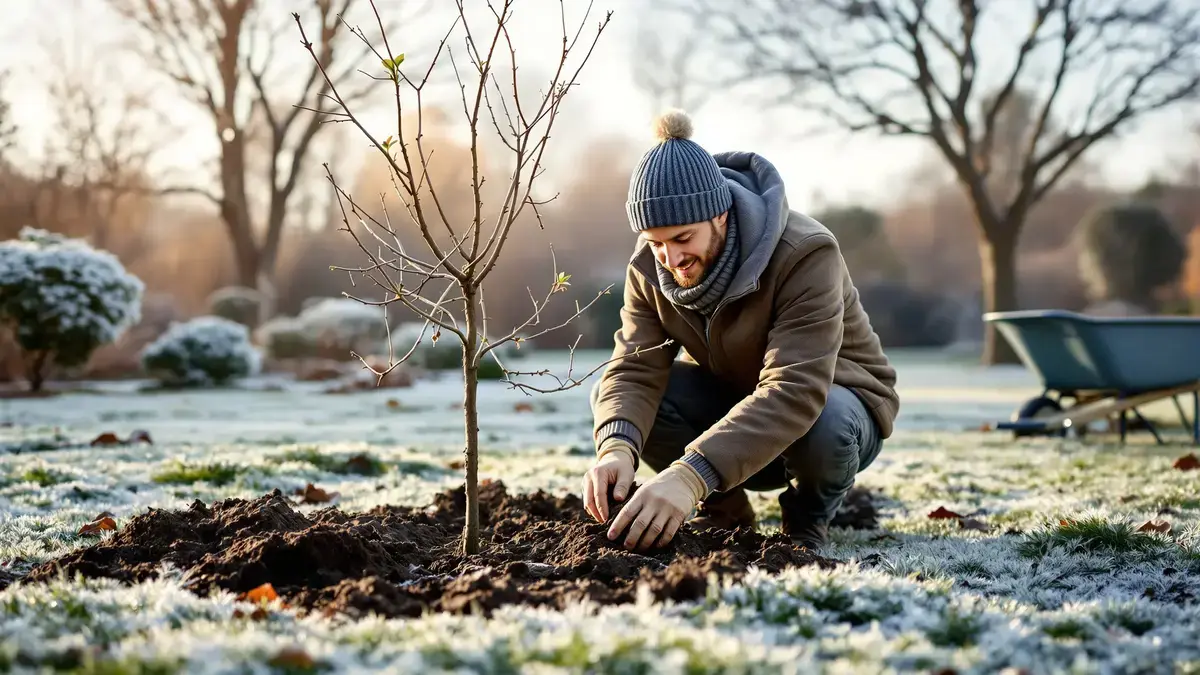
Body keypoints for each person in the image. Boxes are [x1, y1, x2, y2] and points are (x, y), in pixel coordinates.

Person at [584, 109, 899, 553]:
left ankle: (807, 522)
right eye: (656, 242)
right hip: (734, 407)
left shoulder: (805, 253)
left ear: (721, 217)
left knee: (827, 420)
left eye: (682, 239)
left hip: (832, 412)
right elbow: (634, 369)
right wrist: (615, 448)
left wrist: (689, 475)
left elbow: (795, 389)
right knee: (614, 398)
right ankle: (727, 516)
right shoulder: (651, 266)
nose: (670, 259)